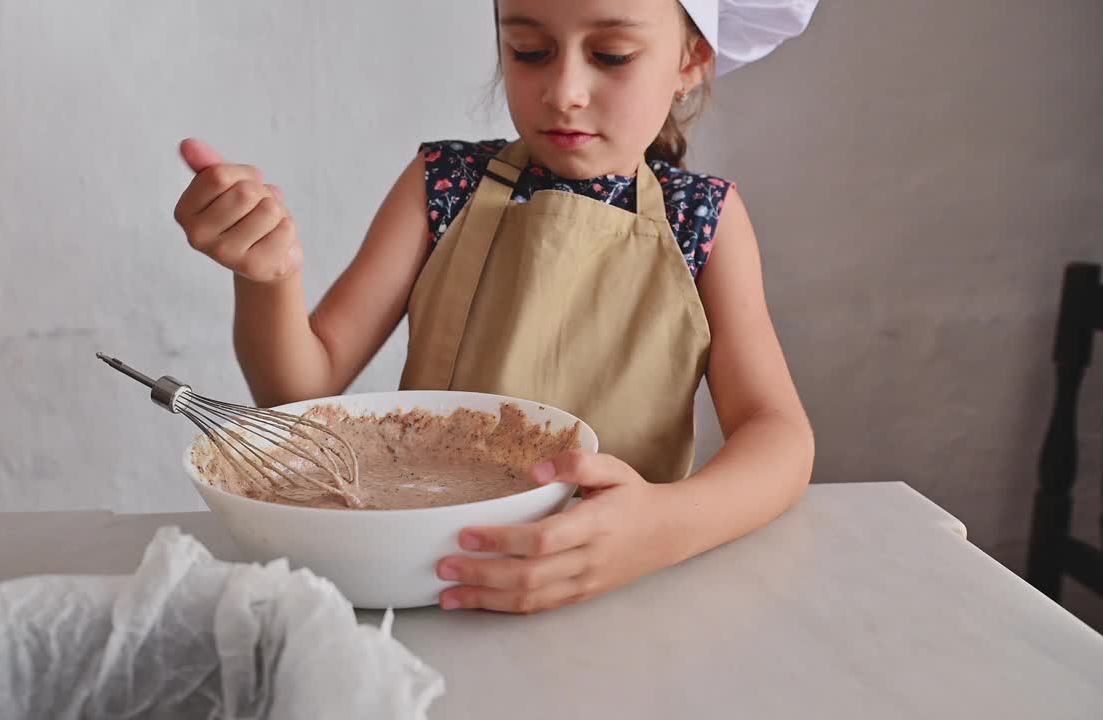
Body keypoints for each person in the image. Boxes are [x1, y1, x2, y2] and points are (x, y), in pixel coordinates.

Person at [171, 0, 820, 614]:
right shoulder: (443, 183)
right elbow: (299, 389)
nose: (563, 89)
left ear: (690, 61)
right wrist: (268, 276)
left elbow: (778, 434)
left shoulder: (703, 219)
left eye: (613, 54)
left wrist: (666, 526)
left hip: (621, 586)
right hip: (433, 574)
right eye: (530, 50)